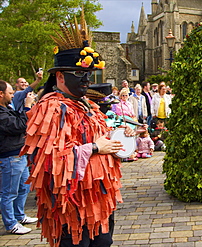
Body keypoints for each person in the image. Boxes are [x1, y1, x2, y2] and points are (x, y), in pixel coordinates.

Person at [20, 12, 145, 246]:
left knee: (103, 243)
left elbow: (103, 138)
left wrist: (120, 138)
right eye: (79, 73)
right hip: (71, 205)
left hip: (100, 199)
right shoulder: (51, 108)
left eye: (88, 74)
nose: (87, 80)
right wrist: (96, 147)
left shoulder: (89, 105)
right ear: (59, 76)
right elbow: (48, 162)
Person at [0, 80, 38, 235]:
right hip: (10, 157)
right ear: (1, 94)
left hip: (19, 154)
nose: (12, 95)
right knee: (8, 193)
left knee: (24, 187)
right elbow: (19, 125)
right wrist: (27, 106)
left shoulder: (6, 108)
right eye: (10, 93)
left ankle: (19, 215)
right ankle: (11, 224)